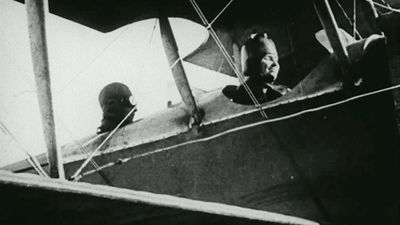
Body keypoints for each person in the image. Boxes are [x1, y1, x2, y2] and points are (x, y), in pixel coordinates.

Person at [223, 32, 290, 105]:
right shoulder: (239, 96)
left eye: (275, 59)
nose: (275, 65)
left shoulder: (282, 91)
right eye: (268, 59)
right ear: (252, 63)